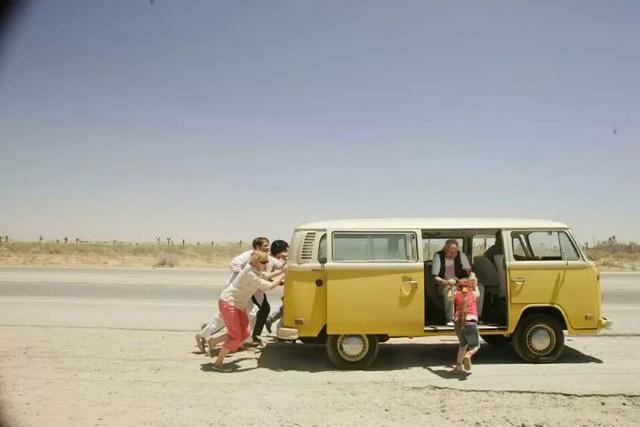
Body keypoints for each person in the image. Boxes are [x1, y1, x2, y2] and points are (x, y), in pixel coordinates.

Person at [208, 250, 284, 372]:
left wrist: (282, 271)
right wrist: (281, 278)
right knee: (236, 337)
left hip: (238, 305)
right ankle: (218, 363)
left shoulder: (254, 270)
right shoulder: (250, 273)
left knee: (245, 334)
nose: (266, 264)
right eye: (263, 262)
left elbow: (266, 276)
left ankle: (214, 341)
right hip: (229, 303)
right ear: (255, 262)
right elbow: (267, 286)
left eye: (267, 262)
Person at [195, 237, 273, 352]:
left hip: (244, 294)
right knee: (224, 319)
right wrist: (245, 276)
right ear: (257, 247)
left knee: (250, 315)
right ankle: (203, 335)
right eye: (265, 245)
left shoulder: (264, 258)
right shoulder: (248, 256)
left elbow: (271, 268)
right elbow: (233, 264)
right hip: (234, 293)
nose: (268, 247)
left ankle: (239, 341)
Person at [431, 239, 481, 326]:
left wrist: (473, 277)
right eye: (449, 252)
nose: (452, 255)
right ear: (444, 248)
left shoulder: (461, 255)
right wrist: (447, 282)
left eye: (454, 253)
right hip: (444, 283)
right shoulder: (438, 256)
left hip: (460, 284)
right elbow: (434, 278)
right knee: (450, 289)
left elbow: (469, 272)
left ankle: (475, 316)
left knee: (480, 288)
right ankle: (450, 318)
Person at [252, 240, 288, 340]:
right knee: (262, 310)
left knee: (264, 309)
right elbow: (266, 278)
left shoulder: (271, 259)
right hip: (252, 290)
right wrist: (280, 279)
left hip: (257, 289)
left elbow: (273, 272)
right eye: (285, 251)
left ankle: (255, 335)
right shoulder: (264, 259)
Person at [451, 280, 481, 374]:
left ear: (458, 287)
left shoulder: (455, 293)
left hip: (457, 323)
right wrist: (476, 285)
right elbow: (478, 294)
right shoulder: (473, 293)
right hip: (470, 323)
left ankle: (458, 367)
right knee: (475, 345)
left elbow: (449, 296)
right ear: (470, 287)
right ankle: (468, 355)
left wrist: (451, 287)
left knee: (463, 345)